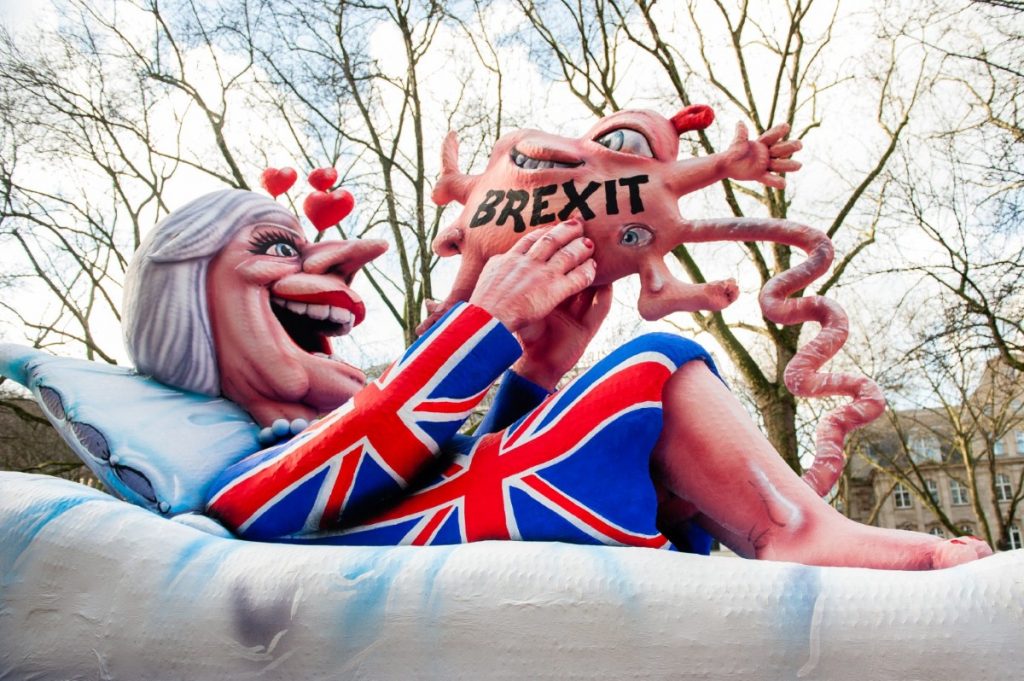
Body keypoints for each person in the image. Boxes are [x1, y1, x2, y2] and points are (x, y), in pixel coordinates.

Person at [124, 188, 991, 568]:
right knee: (648, 367)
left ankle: (787, 523)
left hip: (547, 513)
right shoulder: (237, 474)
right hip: (519, 521)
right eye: (276, 248)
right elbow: (303, 491)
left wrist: (536, 371)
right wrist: (482, 329)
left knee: (649, 385)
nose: (331, 264)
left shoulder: (348, 430)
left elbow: (448, 462)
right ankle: (792, 531)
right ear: (185, 293)